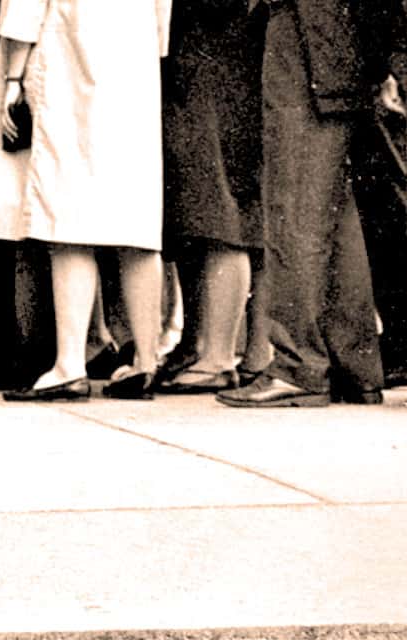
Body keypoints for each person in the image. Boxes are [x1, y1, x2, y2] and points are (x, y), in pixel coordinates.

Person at [0, 0, 174, 402]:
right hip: (134, 56)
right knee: (134, 214)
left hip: (67, 52)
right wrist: (152, 46)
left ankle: (69, 364)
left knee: (67, 214)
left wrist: (13, 76)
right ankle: (146, 360)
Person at [216, 0, 407, 407]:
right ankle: (354, 367)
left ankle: (298, 364)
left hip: (303, 38)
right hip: (338, 45)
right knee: (336, 218)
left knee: (293, 210)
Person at [152, 0, 268, 395]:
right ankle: (196, 343)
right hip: (192, 54)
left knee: (221, 208)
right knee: (190, 207)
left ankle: (218, 356)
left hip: (221, 56)